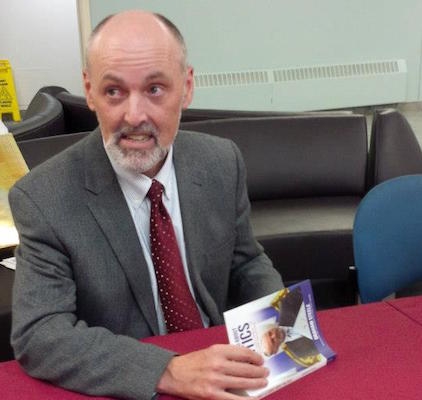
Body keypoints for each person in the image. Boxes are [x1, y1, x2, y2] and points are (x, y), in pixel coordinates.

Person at [9, 10, 283, 400]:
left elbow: (246, 263)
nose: (134, 116)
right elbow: (40, 333)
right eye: (113, 91)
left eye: (155, 89)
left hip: (220, 367)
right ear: (89, 91)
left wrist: (277, 328)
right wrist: (166, 371)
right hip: (131, 382)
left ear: (186, 87)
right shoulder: (43, 198)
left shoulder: (221, 161)